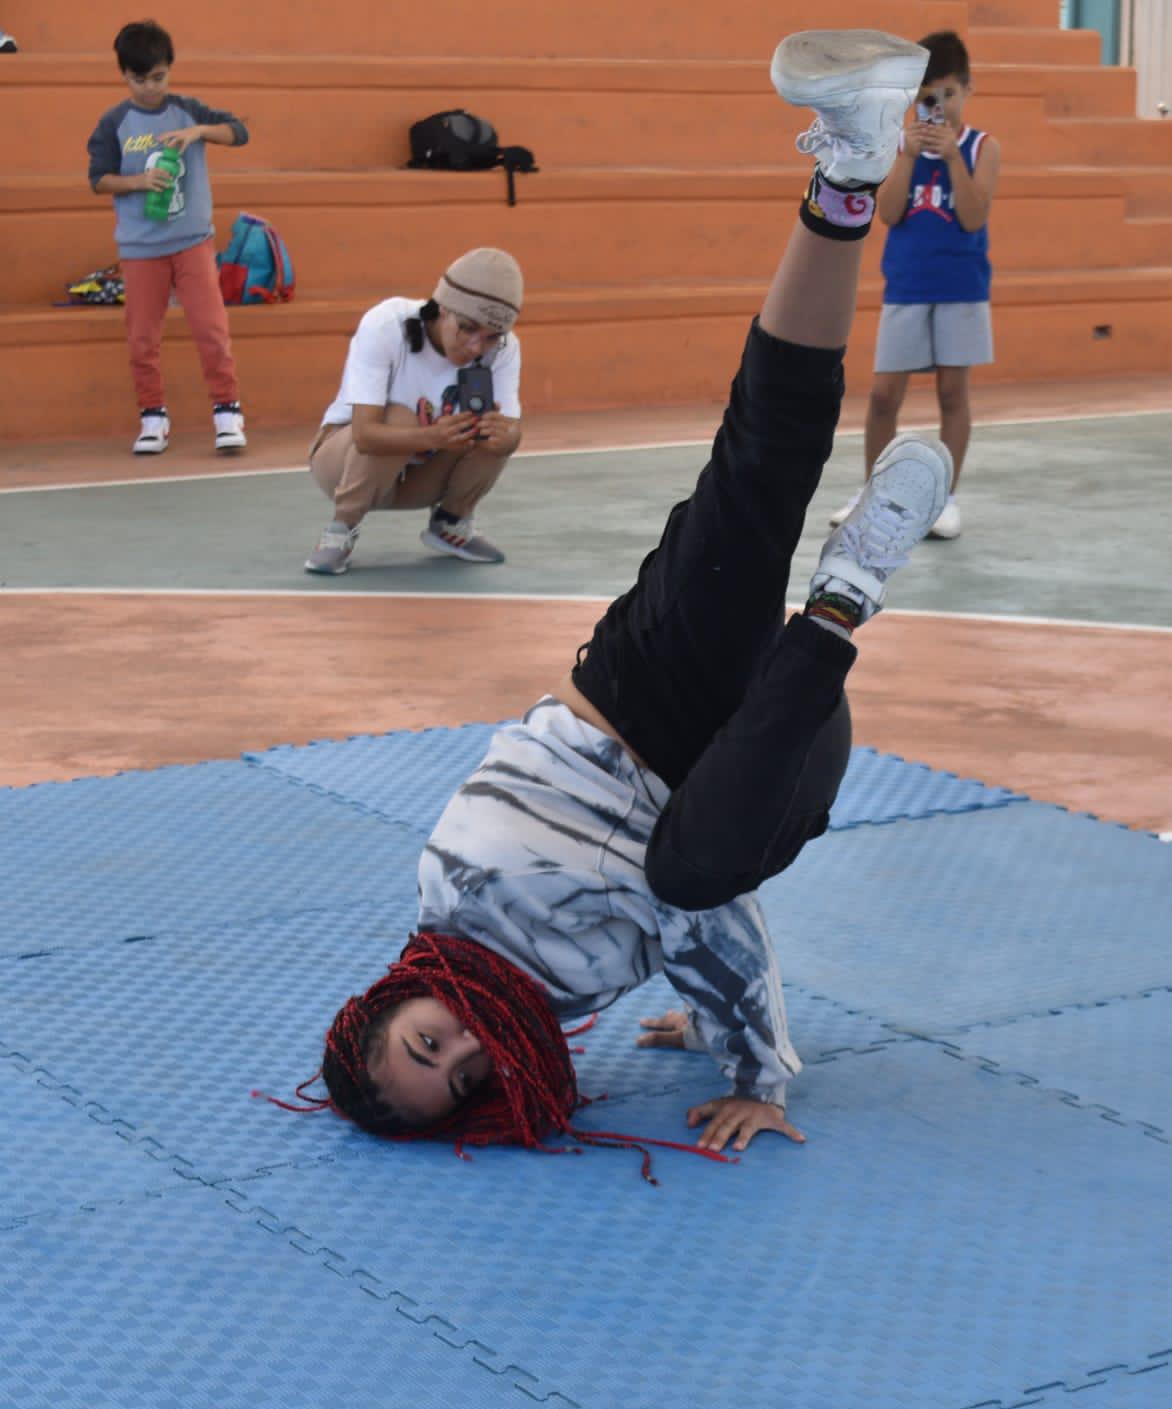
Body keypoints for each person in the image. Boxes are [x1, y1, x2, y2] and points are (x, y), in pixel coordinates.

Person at [268, 30, 950, 1176]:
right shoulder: (574, 980)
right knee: (690, 876)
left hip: (648, 684)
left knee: (762, 455)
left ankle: (845, 164)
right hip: (771, 752)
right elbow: (699, 905)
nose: (471, 1044)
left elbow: (653, 889)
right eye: (467, 1078)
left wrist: (738, 1040)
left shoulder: (451, 881)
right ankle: (843, 590)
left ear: (390, 998)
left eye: (428, 1041)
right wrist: (742, 1053)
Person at [830, 30, 1000, 540]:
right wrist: (905, 157)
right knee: (884, 397)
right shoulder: (900, 148)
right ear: (916, 100)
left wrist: (952, 159)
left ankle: (942, 498)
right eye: (931, 97)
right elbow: (887, 213)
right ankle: (873, 493)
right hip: (906, 286)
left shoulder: (982, 148)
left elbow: (973, 218)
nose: (941, 106)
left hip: (961, 288)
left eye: (950, 93)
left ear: (967, 90)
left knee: (952, 392)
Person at [304, 248, 524, 574]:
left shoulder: (505, 350)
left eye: (492, 337)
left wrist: (505, 438)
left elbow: (510, 429)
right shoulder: (387, 325)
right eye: (467, 328)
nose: (477, 347)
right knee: (399, 418)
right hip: (344, 468)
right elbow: (365, 435)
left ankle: (452, 521)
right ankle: (340, 530)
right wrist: (431, 435)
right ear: (443, 309)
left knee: (495, 429)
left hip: (422, 477)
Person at [87, 20, 249, 456]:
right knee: (142, 337)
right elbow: (99, 179)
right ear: (124, 75)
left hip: (192, 241)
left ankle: (227, 411)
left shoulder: (187, 110)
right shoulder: (115, 122)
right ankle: (153, 416)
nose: (149, 89)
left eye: (158, 77)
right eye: (139, 80)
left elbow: (239, 132)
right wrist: (140, 181)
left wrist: (198, 132)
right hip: (141, 250)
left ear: (169, 70)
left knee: (210, 328)